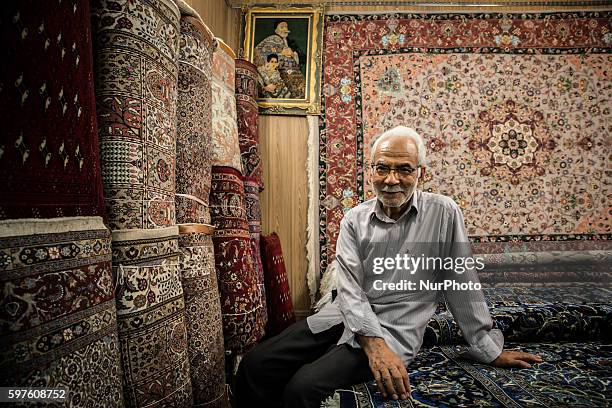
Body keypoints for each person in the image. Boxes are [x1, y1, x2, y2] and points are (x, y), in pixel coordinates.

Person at [235, 126, 542, 408]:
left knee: (303, 388)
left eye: (404, 169)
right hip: (341, 316)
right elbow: (350, 290)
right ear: (372, 170)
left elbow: (459, 279)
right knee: (255, 365)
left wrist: (488, 349)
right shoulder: (355, 219)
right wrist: (373, 345)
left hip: (397, 329)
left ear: (420, 173)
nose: (391, 179)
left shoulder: (443, 212)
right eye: (382, 168)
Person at [254, 20, 305, 98]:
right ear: (276, 30)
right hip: (264, 63)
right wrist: (285, 53)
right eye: (282, 27)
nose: (285, 29)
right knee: (289, 65)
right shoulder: (274, 38)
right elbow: (265, 51)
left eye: (286, 27)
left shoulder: (286, 41)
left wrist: (292, 54)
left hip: (273, 63)